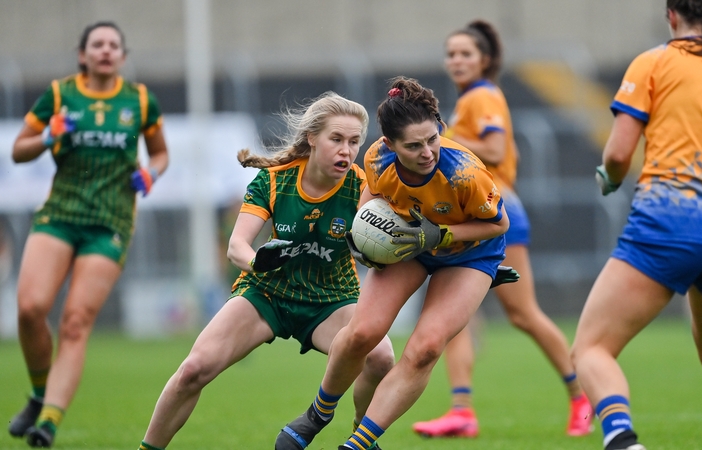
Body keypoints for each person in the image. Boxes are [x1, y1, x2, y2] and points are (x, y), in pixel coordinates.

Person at [570, 1, 702, 449]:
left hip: (669, 224)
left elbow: (619, 154)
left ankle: (623, 441)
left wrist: (610, 176)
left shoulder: (655, 62)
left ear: (671, 16)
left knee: (591, 348)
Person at [137, 92, 395, 450]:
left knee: (381, 358)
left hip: (331, 300)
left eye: (354, 142)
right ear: (312, 138)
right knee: (194, 370)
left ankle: (361, 436)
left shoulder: (365, 187)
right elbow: (236, 246)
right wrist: (258, 260)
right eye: (336, 139)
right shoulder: (273, 180)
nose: (346, 150)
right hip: (266, 295)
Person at [274, 76, 510, 450]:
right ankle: (318, 413)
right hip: (409, 245)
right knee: (363, 333)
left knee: (427, 348)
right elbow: (372, 195)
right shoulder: (376, 158)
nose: (428, 152)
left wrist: (442, 235)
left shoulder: (465, 172)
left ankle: (358, 444)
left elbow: (499, 222)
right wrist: (362, 234)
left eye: (432, 139)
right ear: (390, 145)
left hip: (469, 252)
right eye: (413, 146)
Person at [411, 19, 593, 439]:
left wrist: (441, 140)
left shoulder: (482, 95)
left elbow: (494, 148)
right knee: (450, 317)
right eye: (451, 53)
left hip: (496, 215)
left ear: (485, 60)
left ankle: (583, 397)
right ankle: (461, 411)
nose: (456, 60)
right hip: (470, 214)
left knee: (523, 314)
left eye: (466, 54)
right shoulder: (467, 102)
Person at [8, 21, 169, 448]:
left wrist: (151, 175)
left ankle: (49, 423)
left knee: (76, 323)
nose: (105, 51)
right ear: (83, 55)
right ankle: (40, 393)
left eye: (113, 45)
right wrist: (46, 135)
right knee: (29, 309)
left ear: (122, 55)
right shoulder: (60, 95)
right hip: (60, 215)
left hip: (110, 223)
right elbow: (18, 150)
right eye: (97, 44)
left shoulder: (138, 100)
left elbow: (160, 152)